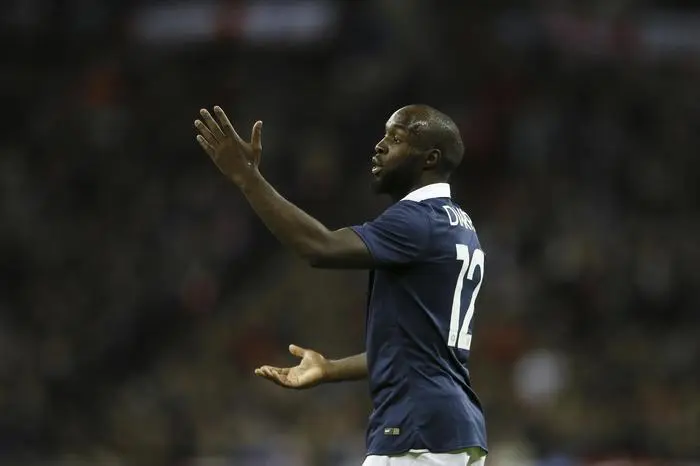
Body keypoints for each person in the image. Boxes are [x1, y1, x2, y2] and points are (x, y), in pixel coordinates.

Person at [194, 104, 488, 466]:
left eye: (395, 138)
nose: (379, 146)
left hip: (416, 432)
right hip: (451, 431)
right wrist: (330, 368)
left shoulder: (418, 220)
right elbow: (417, 348)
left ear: (430, 158)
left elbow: (319, 247)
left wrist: (247, 178)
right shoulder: (461, 224)